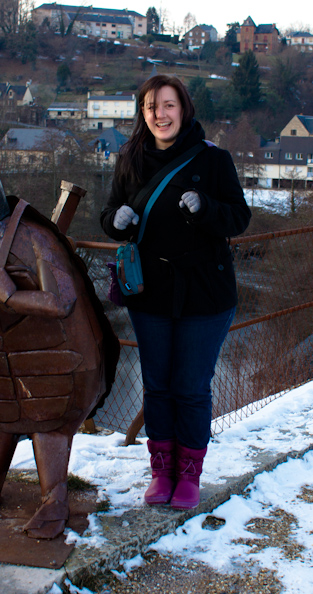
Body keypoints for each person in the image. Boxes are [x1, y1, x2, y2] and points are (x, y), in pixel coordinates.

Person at [100, 75, 251, 510]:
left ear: (183, 109)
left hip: (205, 292)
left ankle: (189, 474)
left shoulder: (214, 159)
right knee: (157, 387)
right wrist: (117, 221)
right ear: (142, 114)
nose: (159, 115)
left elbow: (239, 218)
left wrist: (206, 208)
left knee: (190, 386)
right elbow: (108, 215)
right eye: (150, 107)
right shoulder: (129, 158)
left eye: (168, 105)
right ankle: (161, 470)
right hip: (150, 292)